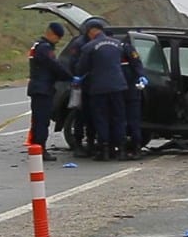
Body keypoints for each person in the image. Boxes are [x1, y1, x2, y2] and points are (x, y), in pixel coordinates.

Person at [75, 18, 128, 161]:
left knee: (101, 119)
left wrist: (79, 78)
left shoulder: (89, 47)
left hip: (99, 88)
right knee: (118, 118)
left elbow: (81, 68)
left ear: (92, 32)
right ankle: (121, 149)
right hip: (118, 86)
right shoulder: (118, 44)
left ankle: (103, 150)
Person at [27, 22, 74, 161]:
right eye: (58, 37)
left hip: (39, 88)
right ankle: (39, 150)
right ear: (51, 33)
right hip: (42, 89)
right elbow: (54, 66)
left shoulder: (38, 45)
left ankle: (36, 148)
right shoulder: (44, 48)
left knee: (38, 121)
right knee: (41, 121)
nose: (58, 41)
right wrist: (70, 77)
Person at [65, 29, 96, 158]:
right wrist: (78, 77)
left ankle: (90, 144)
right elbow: (73, 64)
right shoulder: (79, 44)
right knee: (80, 116)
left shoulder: (92, 42)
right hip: (81, 85)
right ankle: (78, 144)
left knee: (91, 116)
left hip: (93, 85)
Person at [120, 41, 148, 160]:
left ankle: (121, 149)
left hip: (118, 91)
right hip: (130, 92)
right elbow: (137, 64)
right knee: (133, 121)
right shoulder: (126, 47)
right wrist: (141, 76)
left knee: (120, 121)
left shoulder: (115, 49)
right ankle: (135, 148)